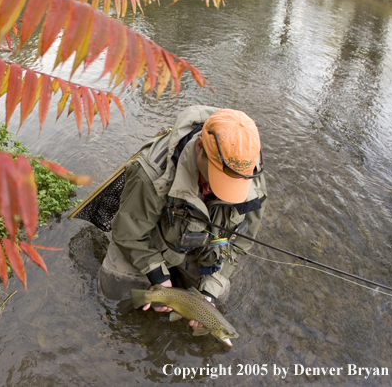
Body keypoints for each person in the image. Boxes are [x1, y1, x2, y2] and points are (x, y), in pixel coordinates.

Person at [97, 105, 267, 329]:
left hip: (198, 250)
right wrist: (158, 276)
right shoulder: (151, 172)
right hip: (149, 242)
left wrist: (209, 292)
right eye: (218, 178)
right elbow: (128, 232)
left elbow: (239, 246)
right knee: (115, 289)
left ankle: (183, 287)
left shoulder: (251, 180)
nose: (223, 192)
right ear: (199, 148)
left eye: (234, 184)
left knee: (220, 295)